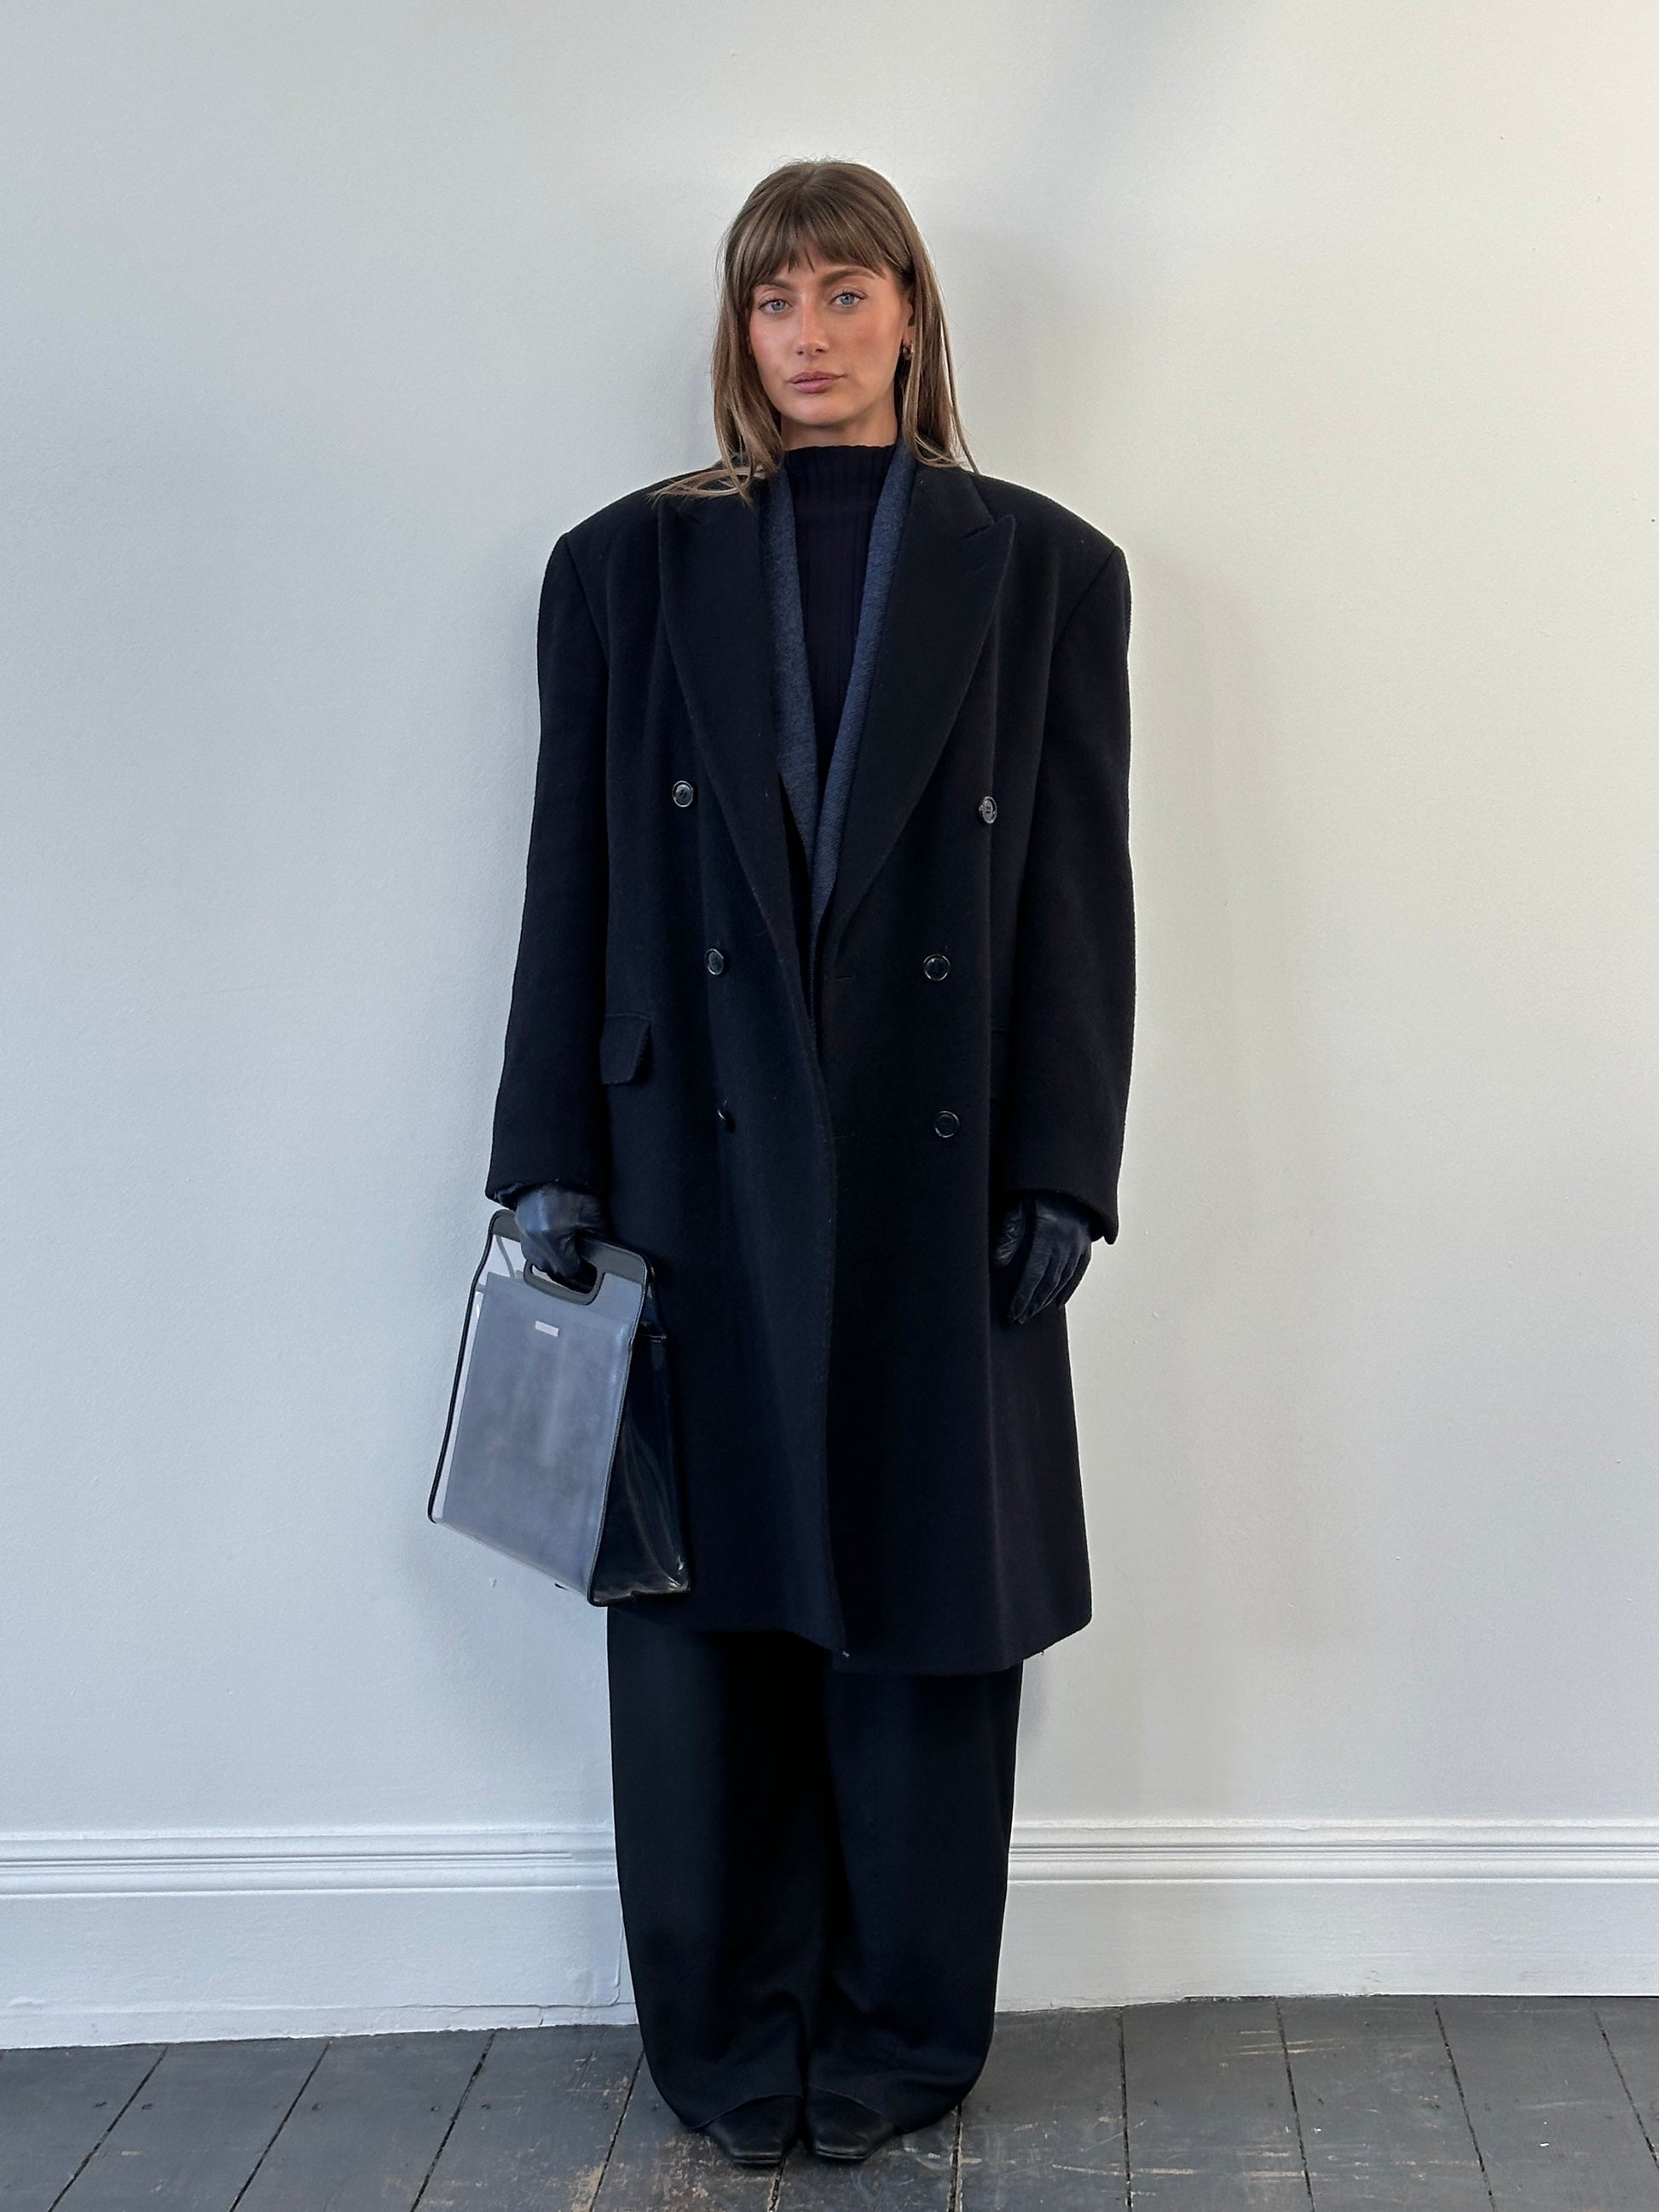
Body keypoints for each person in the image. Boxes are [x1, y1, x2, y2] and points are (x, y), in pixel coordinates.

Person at [485, 158, 1134, 2167]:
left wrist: (1062, 1161)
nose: (809, 335)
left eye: (845, 293)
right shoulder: (619, 566)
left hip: (940, 1163)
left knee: (927, 1600)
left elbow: (1077, 889)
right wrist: (545, 1150)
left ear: (911, 313)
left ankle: (903, 2027)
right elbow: (570, 874)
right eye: (773, 301)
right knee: (706, 1612)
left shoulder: (1045, 570)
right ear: (737, 329)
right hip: (688, 1156)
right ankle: (723, 2027)